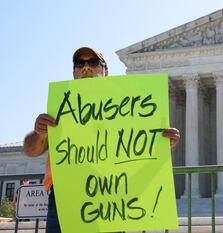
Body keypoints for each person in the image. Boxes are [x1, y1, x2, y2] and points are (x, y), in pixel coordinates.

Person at [23, 47, 180, 233]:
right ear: (74, 72)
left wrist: (162, 142)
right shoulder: (61, 106)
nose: (86, 67)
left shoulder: (127, 105)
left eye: (93, 62)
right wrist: (40, 133)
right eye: (80, 63)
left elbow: (139, 149)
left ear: (105, 71)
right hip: (65, 199)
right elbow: (30, 150)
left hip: (111, 200)